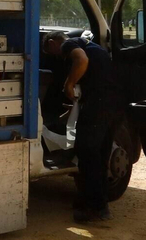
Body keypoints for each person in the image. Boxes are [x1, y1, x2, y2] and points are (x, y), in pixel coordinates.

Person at [44, 31, 120, 224]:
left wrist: (69, 84)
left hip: (99, 103)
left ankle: (93, 208)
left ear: (53, 42)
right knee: (100, 156)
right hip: (113, 104)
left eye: (51, 52)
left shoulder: (68, 45)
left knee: (86, 153)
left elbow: (81, 60)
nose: (57, 57)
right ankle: (100, 206)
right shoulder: (91, 44)